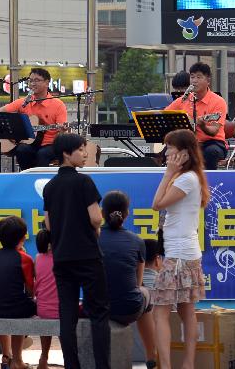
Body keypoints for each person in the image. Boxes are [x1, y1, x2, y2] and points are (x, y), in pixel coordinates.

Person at [42, 133, 109, 369]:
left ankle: (72, 365)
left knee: (67, 316)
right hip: (88, 257)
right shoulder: (84, 182)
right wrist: (95, 227)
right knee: (99, 314)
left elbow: (49, 225)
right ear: (66, 154)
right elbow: (96, 217)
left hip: (62, 258)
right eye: (80, 150)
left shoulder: (50, 187)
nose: (85, 153)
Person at [151, 129, 210, 369]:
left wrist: (167, 174)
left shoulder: (185, 179)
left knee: (160, 311)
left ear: (184, 154)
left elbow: (157, 204)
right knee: (187, 310)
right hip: (186, 251)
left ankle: (167, 365)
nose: (166, 154)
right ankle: (187, 364)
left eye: (171, 150)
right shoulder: (191, 177)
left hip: (178, 254)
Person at [99, 191, 156, 369]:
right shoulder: (137, 241)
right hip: (128, 308)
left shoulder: (93, 239)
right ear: (127, 213)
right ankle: (151, 357)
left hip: (98, 308)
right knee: (146, 294)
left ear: (102, 213)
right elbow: (137, 284)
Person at [0, 216, 35, 369]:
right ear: (22, 237)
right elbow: (31, 291)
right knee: (23, 306)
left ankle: (7, 356)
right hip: (17, 309)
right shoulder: (24, 258)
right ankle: (17, 360)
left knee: (7, 304)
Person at [0, 68, 68, 170]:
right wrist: (8, 130)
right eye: (30, 80)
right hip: (29, 143)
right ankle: (27, 178)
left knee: (42, 154)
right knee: (21, 149)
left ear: (47, 83)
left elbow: (62, 133)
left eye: (37, 80)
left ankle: (40, 181)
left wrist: (62, 130)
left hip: (50, 145)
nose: (32, 84)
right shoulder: (23, 102)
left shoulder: (58, 105)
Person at [164, 62, 227, 170]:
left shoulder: (218, 101)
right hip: (188, 142)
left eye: (199, 77)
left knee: (210, 152)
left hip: (212, 142)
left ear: (208, 80)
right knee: (167, 151)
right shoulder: (184, 100)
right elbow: (166, 115)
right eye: (192, 77)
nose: (194, 80)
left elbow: (214, 131)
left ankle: (207, 183)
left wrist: (203, 126)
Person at [34, 229, 58, 369]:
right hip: (62, 311)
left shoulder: (38, 258)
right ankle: (69, 357)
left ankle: (43, 358)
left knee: (47, 317)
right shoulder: (63, 258)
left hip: (42, 310)